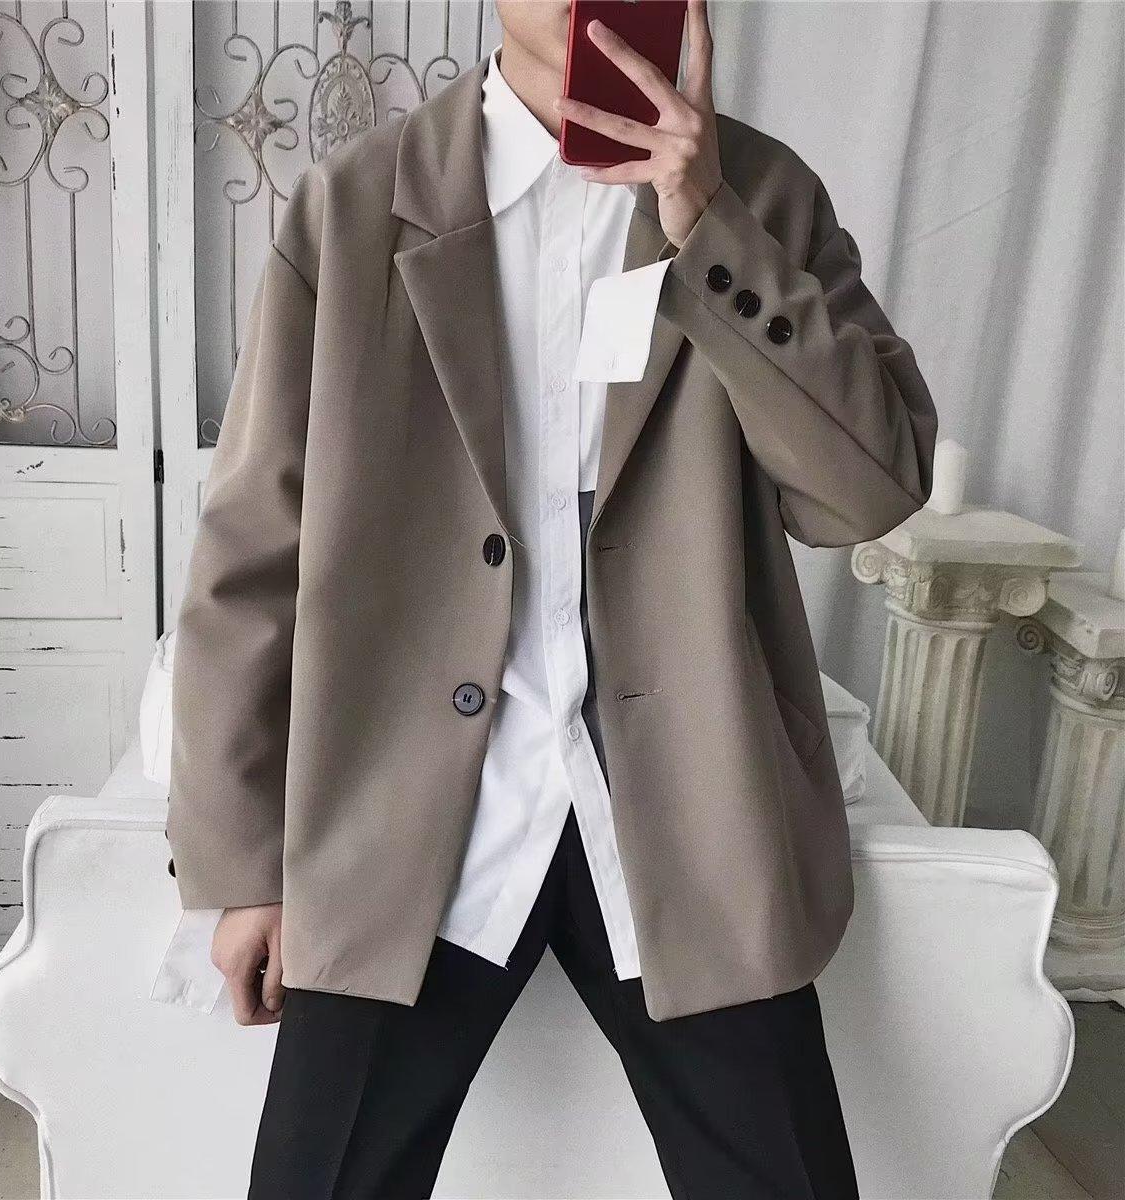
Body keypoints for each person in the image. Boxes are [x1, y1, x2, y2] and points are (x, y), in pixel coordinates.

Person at [165, 1, 938, 1196]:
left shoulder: (764, 197)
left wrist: (706, 223)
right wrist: (242, 867)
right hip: (408, 813)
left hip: (689, 811)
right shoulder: (355, 207)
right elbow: (253, 546)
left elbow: (869, 491)